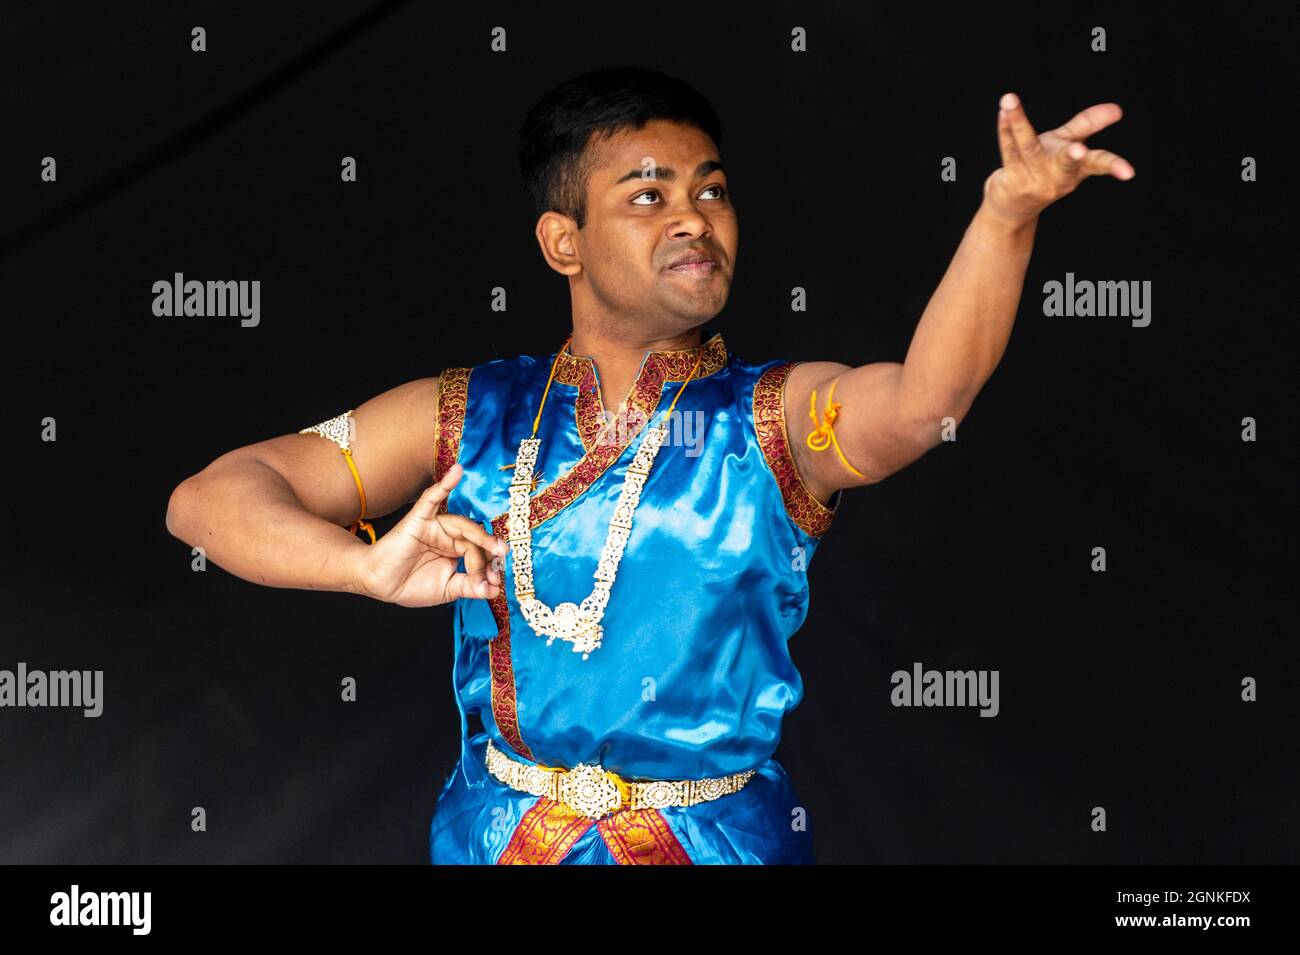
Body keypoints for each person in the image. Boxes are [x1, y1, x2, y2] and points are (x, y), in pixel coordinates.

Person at [165, 66, 1133, 864]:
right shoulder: (462, 415)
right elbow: (212, 497)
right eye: (647, 196)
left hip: (716, 843)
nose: (692, 217)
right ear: (562, 242)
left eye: (710, 189)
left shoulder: (778, 417)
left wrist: (1005, 216)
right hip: (496, 840)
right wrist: (358, 566)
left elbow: (925, 404)